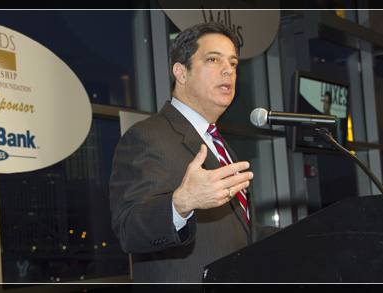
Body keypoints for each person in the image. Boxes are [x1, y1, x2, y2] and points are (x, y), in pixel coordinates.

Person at [109, 22, 279, 283]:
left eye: (233, 63)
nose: (228, 70)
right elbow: (129, 229)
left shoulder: (219, 145)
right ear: (181, 72)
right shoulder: (147, 136)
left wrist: (310, 235)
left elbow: (241, 234)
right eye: (213, 59)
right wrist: (181, 203)